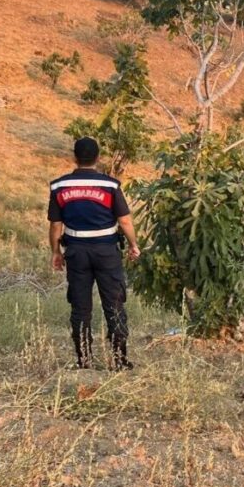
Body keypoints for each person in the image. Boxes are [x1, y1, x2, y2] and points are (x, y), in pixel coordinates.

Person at [48, 137, 140, 370]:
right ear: (98, 158)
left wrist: (55, 252)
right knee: (115, 303)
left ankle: (84, 360)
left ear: (74, 157)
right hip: (106, 251)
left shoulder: (59, 186)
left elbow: (56, 226)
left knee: (80, 307)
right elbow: (125, 220)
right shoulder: (110, 185)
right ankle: (119, 360)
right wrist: (133, 245)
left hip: (76, 252)